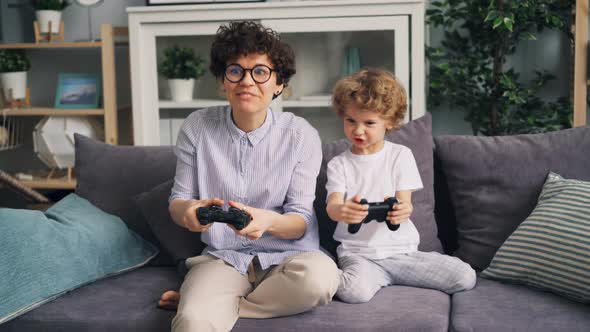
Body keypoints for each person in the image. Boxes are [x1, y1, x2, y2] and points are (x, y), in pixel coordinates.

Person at [160, 21, 339, 332]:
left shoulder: (300, 135)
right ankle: (201, 302)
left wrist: (267, 221)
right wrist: (188, 212)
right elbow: (179, 200)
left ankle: (213, 302)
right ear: (223, 82)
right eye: (235, 71)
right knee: (191, 322)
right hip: (223, 258)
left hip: (290, 259)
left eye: (260, 72)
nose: (247, 81)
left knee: (320, 282)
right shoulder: (197, 127)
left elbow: (301, 220)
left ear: (279, 83)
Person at [326, 68, 476, 304]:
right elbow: (333, 206)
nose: (358, 130)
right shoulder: (339, 164)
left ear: (390, 121)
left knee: (465, 276)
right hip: (359, 255)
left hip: (402, 254)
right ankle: (336, 271)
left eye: (369, 123)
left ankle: (388, 277)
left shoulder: (400, 155)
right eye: (350, 120)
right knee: (354, 292)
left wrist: (400, 212)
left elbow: (405, 204)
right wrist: (344, 210)